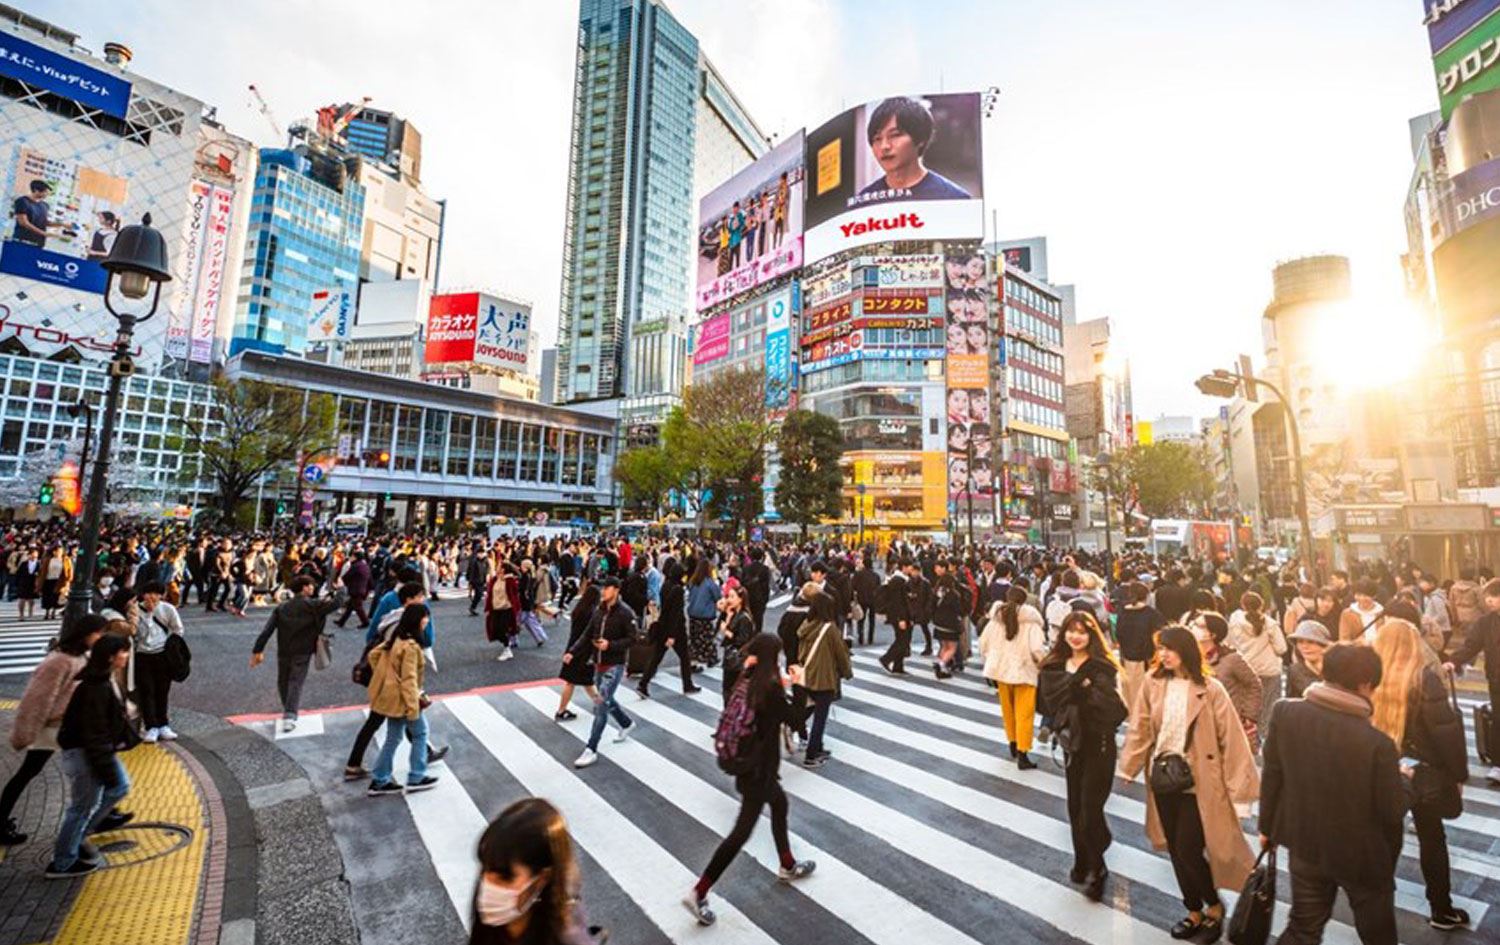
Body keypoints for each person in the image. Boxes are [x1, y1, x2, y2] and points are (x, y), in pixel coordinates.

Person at [1259, 644, 1407, 945]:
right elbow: (1392, 809)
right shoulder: (1377, 744)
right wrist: (1405, 781)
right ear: (1365, 684)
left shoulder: (1285, 712)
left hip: (1305, 843)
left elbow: (1273, 774)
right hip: (1362, 857)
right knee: (1377, 934)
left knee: (1303, 927)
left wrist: (1267, 828)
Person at [1119, 626, 1259, 941]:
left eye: (1170, 648)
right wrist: (1129, 764)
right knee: (1176, 850)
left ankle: (1213, 907)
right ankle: (1193, 909)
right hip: (1164, 779)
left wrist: (1240, 795)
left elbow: (1232, 741)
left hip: (1200, 783)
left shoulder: (1210, 689)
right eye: (1161, 649)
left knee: (1188, 847)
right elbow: (1140, 726)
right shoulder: (1152, 684)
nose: (1164, 655)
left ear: (1186, 651)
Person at [684, 633, 815, 926]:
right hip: (758, 772)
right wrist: (801, 683)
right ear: (775, 658)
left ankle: (787, 864)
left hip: (747, 767)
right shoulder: (770, 689)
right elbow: (796, 720)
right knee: (740, 833)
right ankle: (700, 891)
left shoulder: (746, 681)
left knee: (780, 805)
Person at [1371, 620, 1470, 931]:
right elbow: (1446, 734)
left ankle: (1373, 910)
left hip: (1383, 770)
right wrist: (1458, 775)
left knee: (1386, 841)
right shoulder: (1424, 679)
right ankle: (1441, 909)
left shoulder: (1369, 679)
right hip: (1423, 775)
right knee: (1431, 837)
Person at [1037, 611, 1127, 902]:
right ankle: (1082, 860)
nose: (1075, 636)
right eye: (1070, 631)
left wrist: (1082, 690)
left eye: (1082, 632)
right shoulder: (1053, 666)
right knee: (1075, 807)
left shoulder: (1101, 667)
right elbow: (1046, 702)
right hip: (1072, 745)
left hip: (1099, 745)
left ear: (1092, 635)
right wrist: (1079, 689)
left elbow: (1114, 711)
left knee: (1090, 809)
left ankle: (1098, 867)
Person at [2, 614, 109, 846]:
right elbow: (38, 699)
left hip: (67, 726)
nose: (101, 638)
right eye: (98, 633)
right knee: (30, 771)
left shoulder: (81, 656)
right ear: (86, 633)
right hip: (54, 728)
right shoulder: (60, 660)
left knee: (33, 771)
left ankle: (104, 813)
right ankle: (103, 815)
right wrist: (25, 733)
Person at [47, 635, 136, 878]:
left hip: (93, 751)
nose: (126, 656)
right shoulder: (95, 686)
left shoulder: (101, 679)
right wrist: (106, 768)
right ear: (110, 656)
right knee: (83, 807)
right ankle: (63, 861)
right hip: (86, 753)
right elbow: (93, 732)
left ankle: (77, 841)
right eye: (123, 652)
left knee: (115, 790)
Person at [470, 798, 599, 945]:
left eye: (505, 877)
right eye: (485, 868)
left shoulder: (567, 938)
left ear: (541, 879)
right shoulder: (493, 913)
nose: (487, 885)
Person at [251, 575, 347, 732]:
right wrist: (341, 589)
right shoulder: (313, 605)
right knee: (296, 681)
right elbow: (337, 603)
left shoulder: (282, 607)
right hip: (304, 649)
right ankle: (289, 714)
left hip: (284, 648)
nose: (313, 588)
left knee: (283, 680)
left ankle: (287, 708)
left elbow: (267, 630)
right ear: (304, 588)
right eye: (311, 586)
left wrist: (258, 649)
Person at [365, 604, 440, 796]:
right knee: (421, 733)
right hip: (404, 699)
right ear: (417, 620)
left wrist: (388, 678)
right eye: (425, 617)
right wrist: (412, 706)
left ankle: (379, 779)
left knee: (393, 737)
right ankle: (416, 776)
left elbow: (373, 655)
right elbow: (409, 679)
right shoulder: (411, 647)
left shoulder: (396, 638)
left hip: (390, 697)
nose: (427, 621)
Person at [568, 578, 637, 769]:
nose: (603, 591)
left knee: (600, 704)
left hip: (615, 664)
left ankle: (591, 748)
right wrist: (572, 651)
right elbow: (587, 634)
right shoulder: (600, 610)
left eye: (607, 588)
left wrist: (611, 645)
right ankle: (626, 723)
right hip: (599, 663)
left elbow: (633, 638)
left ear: (616, 590)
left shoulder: (625, 612)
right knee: (606, 700)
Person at [979, 585, 1046, 769]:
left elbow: (983, 643)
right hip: (1024, 670)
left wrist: (991, 658)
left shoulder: (996, 619)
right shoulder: (1031, 623)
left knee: (1008, 710)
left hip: (1001, 670)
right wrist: (1042, 664)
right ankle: (1023, 753)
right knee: (1024, 714)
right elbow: (1037, 649)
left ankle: (1013, 743)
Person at [855, 97, 971, 204]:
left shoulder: (953, 198)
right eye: (877, 138)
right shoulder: (864, 201)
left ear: (920, 139)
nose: (884, 146)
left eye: (895, 135)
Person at [1443, 576, 1500, 784]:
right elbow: (1470, 646)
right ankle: (1498, 764)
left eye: (1494, 596)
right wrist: (1453, 661)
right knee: (1498, 720)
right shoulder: (1485, 622)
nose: (1489, 601)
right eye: (1488, 597)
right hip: (1496, 679)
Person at [793, 589, 853, 768]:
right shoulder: (829, 628)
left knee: (811, 709)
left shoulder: (806, 625)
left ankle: (813, 743)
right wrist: (847, 672)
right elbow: (841, 654)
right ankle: (812, 753)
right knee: (820, 717)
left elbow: (801, 650)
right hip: (824, 677)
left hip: (808, 675)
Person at [1190, 612, 1263, 749]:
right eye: (1194, 624)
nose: (1194, 627)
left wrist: (1249, 715)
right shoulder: (1193, 658)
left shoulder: (1231, 659)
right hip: (1202, 725)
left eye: (1200, 626)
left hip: (1230, 723)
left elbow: (1254, 684)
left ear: (1212, 635)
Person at [1228, 591, 1288, 739]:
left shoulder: (1235, 624)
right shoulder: (1270, 624)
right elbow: (1282, 648)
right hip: (1269, 670)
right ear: (1261, 605)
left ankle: (1250, 738)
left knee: (1249, 707)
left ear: (1242, 605)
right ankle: (1266, 736)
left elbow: (1230, 644)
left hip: (1246, 670)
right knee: (1269, 707)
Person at [133, 580, 185, 743]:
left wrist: (171, 646)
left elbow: (178, 629)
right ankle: (151, 726)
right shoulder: (135, 610)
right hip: (142, 655)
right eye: (149, 593)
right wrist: (147, 614)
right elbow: (133, 632)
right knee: (146, 691)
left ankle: (163, 724)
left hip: (162, 655)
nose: (153, 597)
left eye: (157, 593)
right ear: (143, 594)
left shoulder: (167, 609)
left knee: (162, 690)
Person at [638, 559, 699, 699]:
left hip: (663, 625)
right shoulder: (678, 590)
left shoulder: (665, 585)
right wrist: (672, 635)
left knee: (656, 657)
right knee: (684, 657)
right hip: (676, 629)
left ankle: (643, 683)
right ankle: (687, 684)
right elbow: (675, 613)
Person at [1114, 581, 1166, 713]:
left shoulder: (1122, 613)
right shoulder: (1152, 614)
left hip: (1126, 658)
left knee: (1130, 696)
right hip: (1146, 660)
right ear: (1146, 596)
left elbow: (1118, 634)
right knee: (1145, 697)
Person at [555, 583, 602, 722]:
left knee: (577, 681)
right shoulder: (592, 613)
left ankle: (563, 710)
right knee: (585, 681)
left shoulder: (578, 610)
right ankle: (562, 710)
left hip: (573, 648)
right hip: (584, 651)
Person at [717, 580, 758, 702]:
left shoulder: (744, 618)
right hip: (732, 658)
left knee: (731, 689)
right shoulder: (734, 613)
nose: (729, 599)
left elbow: (742, 640)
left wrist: (726, 631)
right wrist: (728, 617)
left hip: (738, 659)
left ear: (741, 599)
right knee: (728, 689)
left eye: (732, 596)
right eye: (728, 596)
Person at [686, 559, 722, 671]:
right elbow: (718, 597)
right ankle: (711, 658)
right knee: (707, 637)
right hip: (705, 614)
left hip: (692, 613)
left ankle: (694, 660)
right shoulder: (710, 583)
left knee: (695, 638)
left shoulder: (693, 581)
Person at [1287, 619, 1333, 699]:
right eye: (1300, 642)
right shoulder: (1292, 672)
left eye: (1311, 642)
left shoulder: (1337, 672)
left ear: (1324, 647)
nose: (1305, 647)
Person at [10, 179, 54, 247]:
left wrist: (64, 225)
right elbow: (23, 223)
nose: (47, 194)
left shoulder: (45, 205)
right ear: (36, 190)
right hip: (22, 241)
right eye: (45, 192)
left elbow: (45, 222)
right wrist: (43, 233)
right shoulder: (22, 201)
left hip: (38, 243)